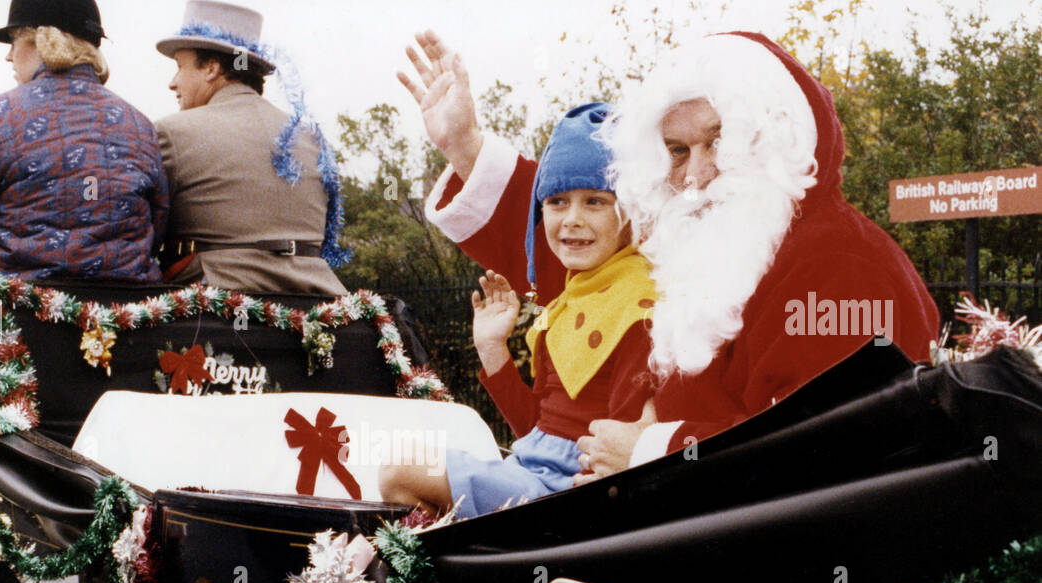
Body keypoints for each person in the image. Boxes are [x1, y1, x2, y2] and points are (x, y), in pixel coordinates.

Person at [400, 30, 940, 478]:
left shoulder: (841, 262)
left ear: (776, 138)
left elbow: (834, 456)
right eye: (677, 151)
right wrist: (468, 149)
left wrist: (651, 450)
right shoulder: (722, 239)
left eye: (719, 141)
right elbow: (593, 259)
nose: (696, 175)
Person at [379, 104, 656, 518]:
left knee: (398, 471)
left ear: (631, 209)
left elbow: (617, 454)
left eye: (595, 201)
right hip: (531, 471)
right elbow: (534, 431)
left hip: (567, 492)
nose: (572, 220)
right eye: (557, 201)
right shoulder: (565, 300)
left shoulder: (639, 307)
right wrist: (494, 351)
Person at [0, 0, 168, 282]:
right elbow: (158, 221)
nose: (9, 56)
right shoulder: (139, 124)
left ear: (43, 41)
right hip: (123, 313)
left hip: (21, 311)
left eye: (13, 42)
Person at [153, 1, 348, 296]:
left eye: (180, 67)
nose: (172, 82)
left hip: (215, 306)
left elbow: (140, 235)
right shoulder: (311, 137)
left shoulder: (172, 131)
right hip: (318, 304)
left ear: (211, 68)